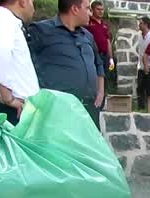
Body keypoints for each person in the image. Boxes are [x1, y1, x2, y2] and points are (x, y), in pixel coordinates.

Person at [28, 0, 105, 129]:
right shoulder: (40, 31)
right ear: (75, 9)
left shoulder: (88, 36)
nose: (90, 13)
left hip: (89, 109)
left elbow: (98, 64)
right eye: (87, 8)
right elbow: (24, 63)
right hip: (58, 111)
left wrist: (101, 91)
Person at [0, 0, 37, 125]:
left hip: (14, 107)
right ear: (23, 2)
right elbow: (1, 53)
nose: (33, 7)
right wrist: (9, 99)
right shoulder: (3, 19)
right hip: (10, 110)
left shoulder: (4, 19)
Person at [85, 1, 112, 74]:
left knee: (104, 77)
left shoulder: (104, 24)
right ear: (92, 10)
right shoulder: (87, 22)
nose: (101, 11)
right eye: (98, 9)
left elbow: (107, 41)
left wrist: (111, 58)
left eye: (102, 9)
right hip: (92, 56)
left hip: (104, 57)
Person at [136, 15, 150, 109]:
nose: (139, 25)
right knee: (139, 88)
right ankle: (141, 107)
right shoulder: (139, 35)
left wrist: (148, 65)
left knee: (149, 88)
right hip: (141, 66)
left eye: (141, 23)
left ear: (146, 24)